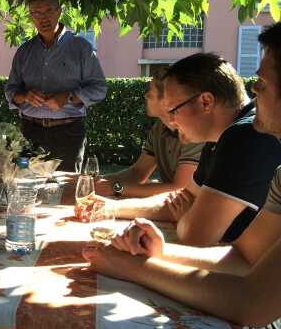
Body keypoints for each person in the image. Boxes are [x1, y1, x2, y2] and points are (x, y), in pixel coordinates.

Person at [84, 22, 281, 329]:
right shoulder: (243, 148)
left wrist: (132, 267)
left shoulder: (245, 138)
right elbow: (243, 255)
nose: (254, 92)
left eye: (262, 85)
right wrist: (159, 253)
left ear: (206, 101)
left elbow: (251, 301)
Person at [91, 53, 281, 246]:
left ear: (206, 101)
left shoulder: (244, 135)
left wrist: (186, 215)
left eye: (173, 110)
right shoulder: (218, 137)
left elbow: (194, 237)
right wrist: (111, 207)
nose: (171, 121)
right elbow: (180, 199)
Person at [4, 0, 107, 171]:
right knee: (26, 189)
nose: (43, 18)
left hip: (68, 134)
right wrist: (26, 96)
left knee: (66, 193)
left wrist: (67, 97)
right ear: (31, 17)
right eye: (36, 13)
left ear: (59, 11)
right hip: (30, 132)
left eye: (48, 11)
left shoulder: (81, 47)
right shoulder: (24, 51)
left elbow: (99, 89)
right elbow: (11, 90)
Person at [95, 69, 204, 198]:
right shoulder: (159, 128)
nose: (146, 95)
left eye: (151, 91)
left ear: (166, 99)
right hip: (172, 207)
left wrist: (116, 188)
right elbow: (138, 172)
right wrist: (99, 181)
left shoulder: (194, 133)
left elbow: (180, 188)